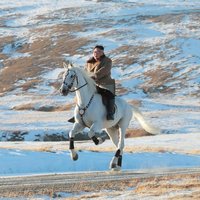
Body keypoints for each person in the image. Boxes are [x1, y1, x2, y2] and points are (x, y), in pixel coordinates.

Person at [85, 45, 115, 120]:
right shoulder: (89, 62)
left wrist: (93, 77)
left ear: (102, 52)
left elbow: (103, 71)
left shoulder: (107, 61)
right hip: (92, 84)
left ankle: (110, 113)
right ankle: (80, 113)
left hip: (104, 84)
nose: (96, 53)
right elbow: (85, 72)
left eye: (98, 51)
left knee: (109, 95)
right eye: (95, 52)